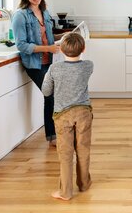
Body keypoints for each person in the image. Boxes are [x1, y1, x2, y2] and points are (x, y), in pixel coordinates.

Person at [42, 32, 94, 201]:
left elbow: (46, 91)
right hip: (84, 113)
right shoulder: (88, 65)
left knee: (65, 153)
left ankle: (65, 192)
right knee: (83, 148)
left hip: (62, 115)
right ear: (83, 49)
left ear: (62, 50)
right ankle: (84, 183)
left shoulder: (54, 68)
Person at [12, 0, 60, 147]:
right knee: (51, 93)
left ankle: (55, 133)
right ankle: (53, 136)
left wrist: (64, 40)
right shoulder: (20, 15)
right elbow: (22, 45)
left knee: (53, 95)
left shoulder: (45, 12)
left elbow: (49, 37)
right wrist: (48, 47)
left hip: (48, 60)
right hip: (33, 63)